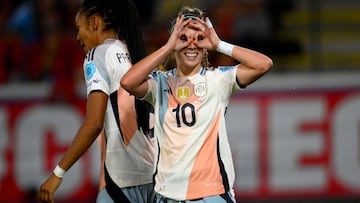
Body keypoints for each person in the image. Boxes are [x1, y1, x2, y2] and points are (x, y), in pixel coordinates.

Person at [121, 6, 273, 203]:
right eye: (183, 38)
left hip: (211, 194)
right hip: (167, 195)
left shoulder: (218, 80)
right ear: (174, 40)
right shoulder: (159, 83)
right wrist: (167, 47)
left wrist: (219, 44)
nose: (191, 45)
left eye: (199, 38)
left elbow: (264, 64)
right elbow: (128, 82)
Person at [38, 0, 154, 202]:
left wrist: (58, 172)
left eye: (78, 28)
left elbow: (94, 123)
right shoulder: (138, 57)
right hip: (154, 179)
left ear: (94, 22)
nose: (77, 37)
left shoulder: (97, 55)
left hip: (120, 181)